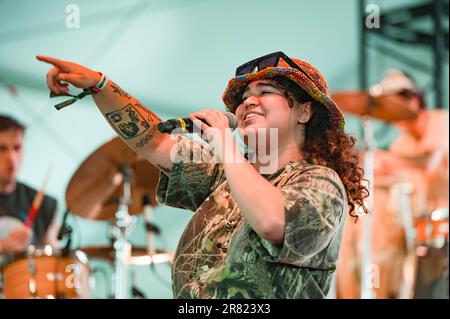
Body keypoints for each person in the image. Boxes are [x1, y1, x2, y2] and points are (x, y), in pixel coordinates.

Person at [37, 51, 369, 299]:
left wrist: (225, 141)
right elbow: (153, 140)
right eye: (243, 98)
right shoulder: (227, 173)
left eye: (266, 91)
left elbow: (273, 222)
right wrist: (100, 85)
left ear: (304, 110)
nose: (248, 102)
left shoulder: (320, 182)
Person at [337, 70, 449, 299]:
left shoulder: (441, 120)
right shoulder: (400, 144)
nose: (390, 115)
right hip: (421, 225)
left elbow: (428, 164)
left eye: (393, 105)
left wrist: (384, 158)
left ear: (414, 100)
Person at [0, 115, 59, 255]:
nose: (11, 157)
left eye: (17, 148)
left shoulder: (44, 204)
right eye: (2, 148)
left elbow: (53, 262)